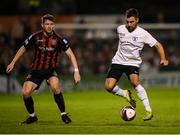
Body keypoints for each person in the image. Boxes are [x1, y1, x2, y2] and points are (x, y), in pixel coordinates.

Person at [6, 14, 81, 124]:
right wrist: (13, 62)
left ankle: (63, 114)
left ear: (54, 25)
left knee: (56, 87)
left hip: (50, 71)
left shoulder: (59, 39)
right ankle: (32, 116)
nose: (49, 26)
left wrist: (76, 71)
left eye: (51, 24)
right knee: (25, 93)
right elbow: (23, 48)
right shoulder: (35, 37)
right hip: (36, 71)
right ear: (42, 25)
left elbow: (70, 54)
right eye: (47, 24)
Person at [104, 8, 168, 121]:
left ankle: (148, 111)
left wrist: (163, 58)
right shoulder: (120, 29)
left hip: (133, 63)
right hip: (118, 61)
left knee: (135, 82)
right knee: (108, 87)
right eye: (127, 22)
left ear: (137, 20)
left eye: (132, 22)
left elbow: (158, 45)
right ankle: (125, 93)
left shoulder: (143, 34)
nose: (129, 24)